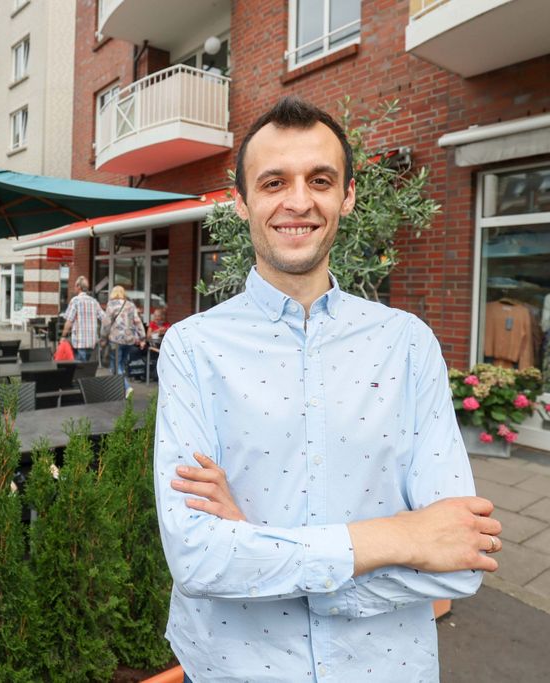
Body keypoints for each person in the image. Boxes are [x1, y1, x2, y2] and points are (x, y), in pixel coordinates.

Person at [155, 97, 501, 682]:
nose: (298, 201)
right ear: (241, 203)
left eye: (320, 179)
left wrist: (259, 548)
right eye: (273, 182)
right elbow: (200, 557)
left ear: (348, 195)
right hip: (234, 670)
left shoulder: (408, 344)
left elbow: (460, 560)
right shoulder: (192, 348)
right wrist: (401, 536)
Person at [101, 285, 146, 393]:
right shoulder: (130, 305)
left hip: (116, 340)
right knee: (121, 364)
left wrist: (103, 337)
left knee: (116, 365)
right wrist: (142, 338)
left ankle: (126, 388)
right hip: (129, 340)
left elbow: (106, 324)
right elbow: (138, 321)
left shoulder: (111, 305)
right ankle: (118, 389)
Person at [60, 275, 104, 362]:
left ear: (79, 287)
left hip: (79, 341)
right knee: (86, 368)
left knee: (79, 369)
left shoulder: (75, 301)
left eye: (75, 286)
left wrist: (63, 336)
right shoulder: (94, 301)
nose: (74, 288)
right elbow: (104, 319)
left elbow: (69, 321)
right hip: (92, 341)